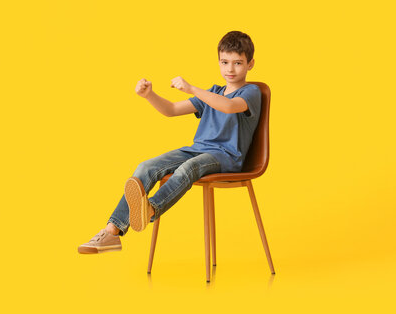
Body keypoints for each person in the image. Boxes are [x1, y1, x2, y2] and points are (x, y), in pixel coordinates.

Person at [78, 30, 262, 254]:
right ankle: (111, 232)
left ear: (250, 64)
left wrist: (193, 88)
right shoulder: (212, 92)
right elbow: (172, 110)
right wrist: (149, 96)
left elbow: (229, 107)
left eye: (237, 63)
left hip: (226, 157)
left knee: (188, 168)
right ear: (218, 62)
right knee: (146, 166)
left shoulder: (251, 91)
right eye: (224, 62)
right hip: (197, 150)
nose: (230, 69)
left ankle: (151, 209)